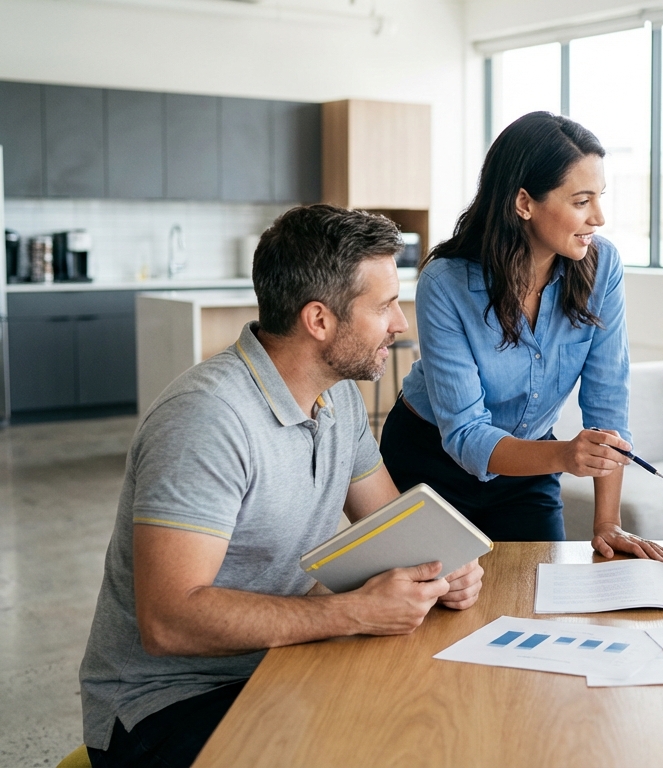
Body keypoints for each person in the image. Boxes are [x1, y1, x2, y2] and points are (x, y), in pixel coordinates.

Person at [78, 205, 485, 768]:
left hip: (282, 661)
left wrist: (443, 570)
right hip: (167, 707)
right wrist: (355, 613)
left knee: (434, 724)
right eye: (386, 305)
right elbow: (168, 620)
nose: (401, 324)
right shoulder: (207, 419)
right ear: (319, 320)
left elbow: (395, 525)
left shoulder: (336, 395)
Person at [381, 112, 663, 561]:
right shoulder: (446, 282)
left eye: (600, 197)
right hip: (430, 463)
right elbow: (466, 433)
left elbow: (607, 397)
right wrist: (565, 457)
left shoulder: (602, 266)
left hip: (529, 468)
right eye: (581, 201)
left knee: (539, 597)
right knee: (438, 610)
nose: (599, 217)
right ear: (524, 202)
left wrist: (608, 523)